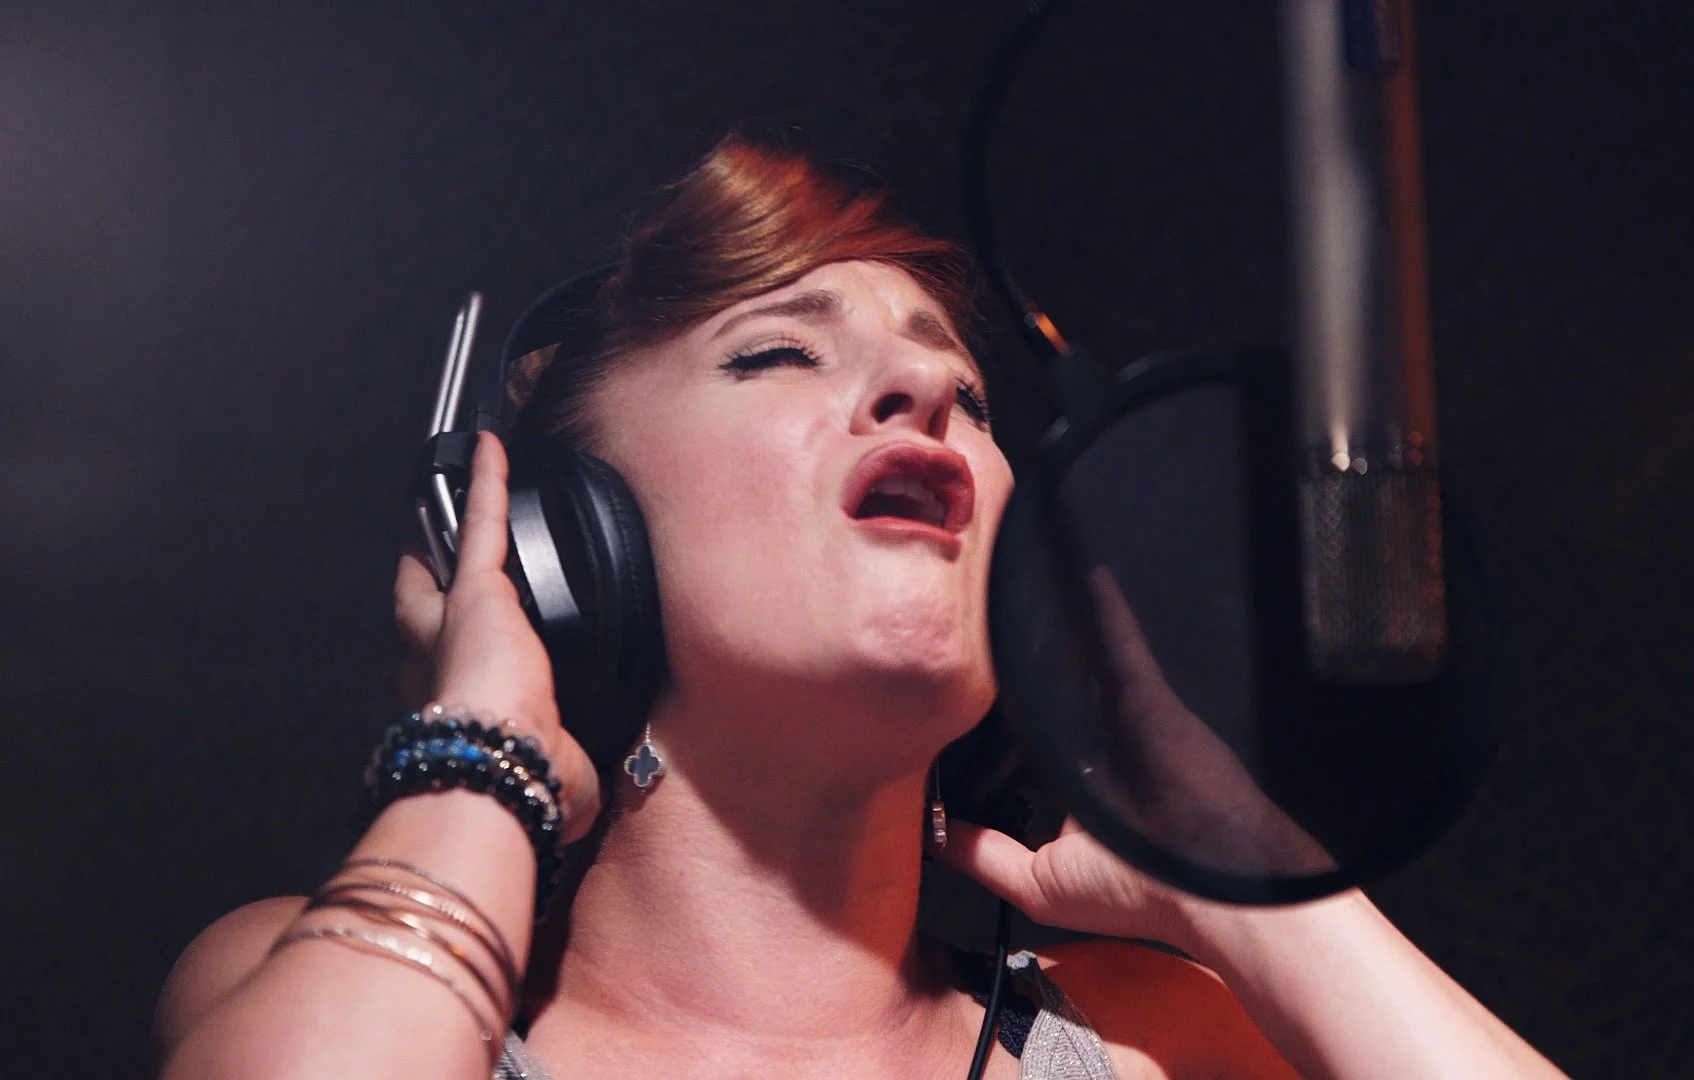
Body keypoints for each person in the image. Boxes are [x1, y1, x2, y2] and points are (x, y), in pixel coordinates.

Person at [154, 135, 1567, 1080]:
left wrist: (1236, 878)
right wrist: (485, 743)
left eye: (970, 390)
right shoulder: (328, 980)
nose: (932, 389)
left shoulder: (1155, 1045)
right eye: (777, 353)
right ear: (557, 540)